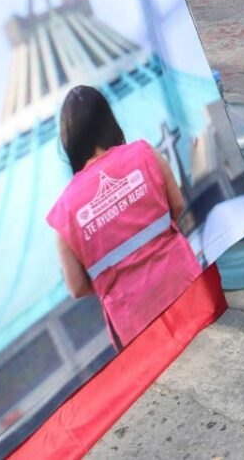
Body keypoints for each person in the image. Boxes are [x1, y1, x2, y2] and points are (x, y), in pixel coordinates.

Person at [46, 86, 200, 348]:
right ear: (109, 121)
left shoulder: (64, 211)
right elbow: (177, 204)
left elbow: (76, 286)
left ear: (68, 141)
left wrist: (118, 278)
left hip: (133, 318)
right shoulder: (144, 153)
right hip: (185, 283)